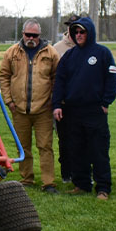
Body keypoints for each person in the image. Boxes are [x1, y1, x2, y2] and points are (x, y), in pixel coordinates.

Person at [52, 16, 116, 199]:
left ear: (89, 33)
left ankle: (103, 188)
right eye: (76, 32)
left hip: (95, 111)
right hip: (72, 111)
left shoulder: (102, 53)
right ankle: (81, 184)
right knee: (76, 150)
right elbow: (60, 82)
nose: (79, 35)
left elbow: (112, 80)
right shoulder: (69, 56)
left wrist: (106, 102)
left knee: (98, 150)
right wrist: (57, 104)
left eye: (82, 32)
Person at [0, 20, 60, 193]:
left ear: (40, 36)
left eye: (35, 35)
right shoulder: (12, 52)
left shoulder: (51, 53)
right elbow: (4, 76)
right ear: (23, 34)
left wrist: (52, 100)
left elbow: (58, 78)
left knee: (45, 146)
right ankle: (26, 178)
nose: (31, 38)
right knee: (22, 146)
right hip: (19, 110)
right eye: (28, 34)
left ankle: (48, 183)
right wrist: (9, 101)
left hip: (43, 110)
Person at [53, 14, 79, 183]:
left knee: (82, 139)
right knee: (64, 140)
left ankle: (82, 172)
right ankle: (66, 173)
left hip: (81, 104)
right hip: (63, 103)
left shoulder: (88, 47)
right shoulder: (57, 48)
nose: (74, 30)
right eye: (71, 26)